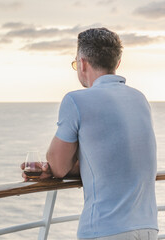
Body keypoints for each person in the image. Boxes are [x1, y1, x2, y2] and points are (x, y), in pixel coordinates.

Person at [21, 28, 158, 239]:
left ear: (82, 63)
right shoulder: (139, 99)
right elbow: (111, 160)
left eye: (75, 63)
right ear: (117, 63)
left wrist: (53, 168)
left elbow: (58, 166)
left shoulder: (76, 100)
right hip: (148, 227)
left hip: (105, 230)